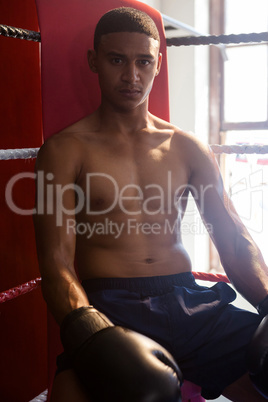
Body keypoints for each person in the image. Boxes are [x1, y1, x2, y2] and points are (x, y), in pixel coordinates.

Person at [33, 7, 268, 402]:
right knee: (69, 394)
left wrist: (266, 301)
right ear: (95, 61)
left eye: (143, 61)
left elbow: (233, 240)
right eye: (116, 60)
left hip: (191, 306)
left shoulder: (187, 147)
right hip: (111, 310)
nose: (131, 76)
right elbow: (55, 266)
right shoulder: (63, 150)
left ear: (158, 64)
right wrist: (92, 331)